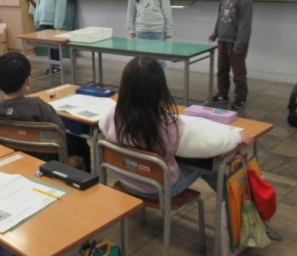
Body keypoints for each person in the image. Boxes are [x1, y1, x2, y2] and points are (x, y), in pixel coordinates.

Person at [99, 57, 253, 198]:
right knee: (212, 166)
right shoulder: (167, 126)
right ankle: (233, 201)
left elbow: (103, 126)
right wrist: (236, 138)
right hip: (158, 189)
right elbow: (208, 146)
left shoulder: (114, 114)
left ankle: (233, 200)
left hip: (127, 180)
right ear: (160, 89)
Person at [0, 52, 91, 171]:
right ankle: (86, 177)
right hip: (46, 161)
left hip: (14, 159)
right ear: (28, 81)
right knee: (79, 141)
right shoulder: (38, 105)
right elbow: (59, 131)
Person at [209, 0, 253, 110]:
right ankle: (222, 93)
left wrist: (240, 44)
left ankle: (240, 97)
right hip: (223, 39)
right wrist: (216, 33)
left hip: (236, 42)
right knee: (222, 69)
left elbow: (245, 25)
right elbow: (220, 15)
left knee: (238, 72)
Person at [127, 0, 173, 69]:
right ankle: (144, 80)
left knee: (160, 61)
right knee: (142, 60)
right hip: (142, 30)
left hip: (158, 31)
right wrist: (131, 28)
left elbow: (167, 10)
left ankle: (159, 80)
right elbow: (131, 10)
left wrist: (169, 30)